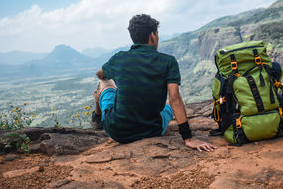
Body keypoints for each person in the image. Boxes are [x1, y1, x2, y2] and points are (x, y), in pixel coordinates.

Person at [92, 14, 215, 152]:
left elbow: (99, 74)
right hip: (152, 130)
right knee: (168, 104)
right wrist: (188, 138)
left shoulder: (119, 58)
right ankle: (99, 114)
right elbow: (174, 99)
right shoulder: (168, 61)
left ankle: (97, 117)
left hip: (117, 132)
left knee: (105, 82)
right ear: (152, 36)